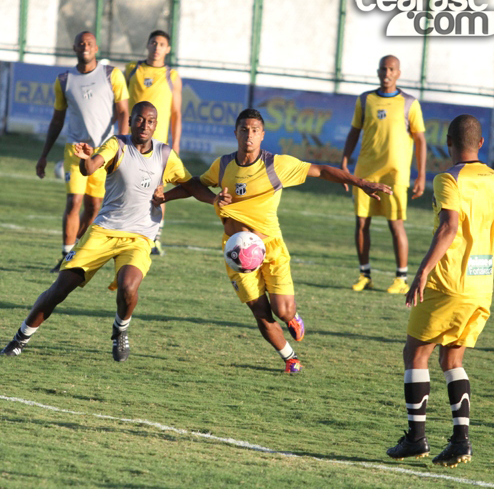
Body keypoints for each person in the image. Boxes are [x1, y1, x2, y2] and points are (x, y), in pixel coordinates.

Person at [157, 109, 392, 372]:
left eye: (255, 130)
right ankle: (290, 358)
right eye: (244, 130)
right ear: (235, 133)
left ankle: (293, 317)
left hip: (271, 248)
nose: (249, 135)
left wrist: (361, 183)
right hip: (236, 252)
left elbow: (321, 170)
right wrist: (168, 197)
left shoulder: (275, 165)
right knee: (260, 311)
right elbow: (196, 184)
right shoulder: (223, 165)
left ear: (262, 135)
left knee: (282, 311)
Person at [1, 101, 222, 361]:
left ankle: (120, 330)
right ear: (130, 121)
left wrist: (209, 200)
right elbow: (91, 166)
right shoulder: (117, 144)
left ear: (155, 125)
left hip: (139, 237)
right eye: (140, 119)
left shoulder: (164, 154)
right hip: (104, 230)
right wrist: (85, 161)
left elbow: (190, 184)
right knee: (60, 288)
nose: (144, 125)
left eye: (150, 121)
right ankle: (20, 338)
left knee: (128, 287)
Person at [386, 115, 494, 467]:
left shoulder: (448, 179)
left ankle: (416, 438)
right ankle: (460, 442)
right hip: (480, 287)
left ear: (448, 142)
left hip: (447, 284)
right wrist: (479, 279)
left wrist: (422, 272)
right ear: (481, 143)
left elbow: (450, 226)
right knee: (452, 360)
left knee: (416, 354)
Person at [36, 31, 130, 272]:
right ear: (74, 47)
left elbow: (123, 113)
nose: (85, 46)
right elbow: (57, 120)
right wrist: (44, 154)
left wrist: (123, 145)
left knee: (94, 208)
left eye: (89, 43)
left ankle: (75, 251)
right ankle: (66, 254)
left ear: (96, 48)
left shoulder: (112, 75)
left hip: (103, 152)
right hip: (75, 149)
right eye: (80, 43)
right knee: (74, 201)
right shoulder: (64, 80)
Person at [341, 55, 427, 294]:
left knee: (396, 225)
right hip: (366, 172)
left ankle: (401, 278)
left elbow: (420, 139)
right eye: (383, 69)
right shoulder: (365, 100)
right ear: (378, 72)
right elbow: (354, 132)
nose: (386, 73)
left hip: (395, 175)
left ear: (398, 73)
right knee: (361, 223)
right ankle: (364, 274)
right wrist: (345, 161)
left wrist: (420, 175)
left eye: (391, 69)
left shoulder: (410, 103)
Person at [124, 30, 183, 255]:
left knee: (158, 190)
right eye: (154, 43)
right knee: (128, 184)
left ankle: (155, 237)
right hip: (130, 142)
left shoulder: (171, 76)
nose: (157, 47)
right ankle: (128, 230)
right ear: (147, 45)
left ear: (167, 49)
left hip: (158, 146)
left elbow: (176, 113)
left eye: (162, 44)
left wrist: (175, 145)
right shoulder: (132, 70)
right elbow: (121, 107)